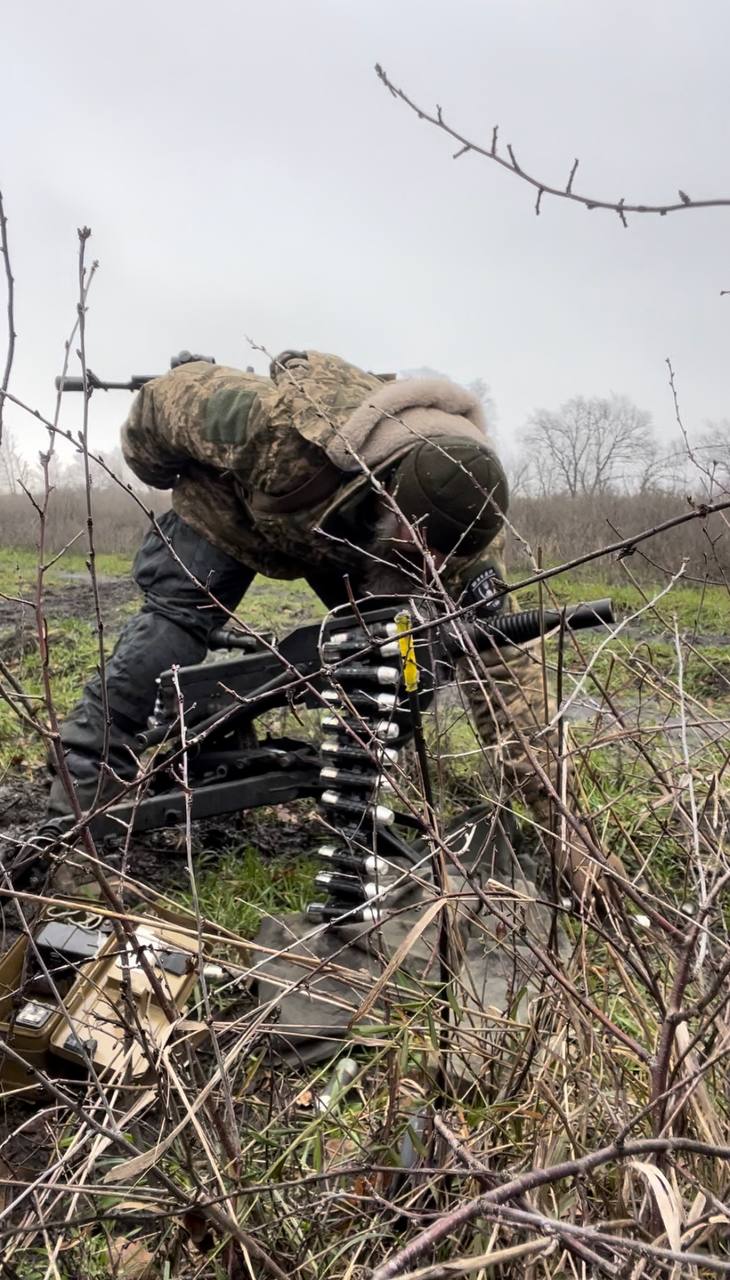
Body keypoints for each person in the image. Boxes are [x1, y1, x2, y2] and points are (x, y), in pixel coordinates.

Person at [47, 349, 559, 868]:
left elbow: (506, 677)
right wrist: (161, 474)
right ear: (392, 492)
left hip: (353, 538)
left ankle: (348, 783)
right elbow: (158, 407)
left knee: (405, 652)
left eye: (446, 556)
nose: (436, 564)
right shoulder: (276, 429)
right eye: (424, 546)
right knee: (172, 629)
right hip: (231, 511)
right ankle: (82, 793)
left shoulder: (468, 522)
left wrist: (562, 835)